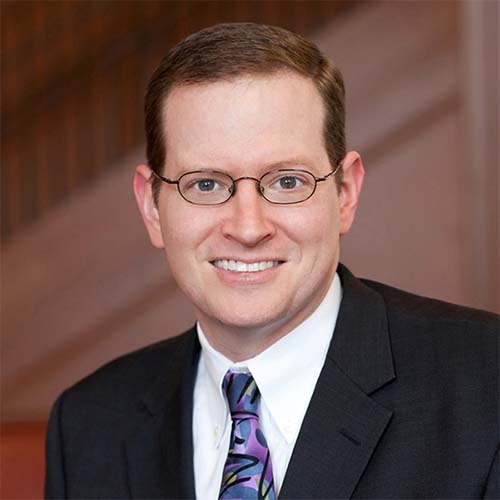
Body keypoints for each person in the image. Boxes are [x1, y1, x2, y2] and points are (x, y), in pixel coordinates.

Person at [45, 23, 499, 499]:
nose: (248, 228)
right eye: (206, 184)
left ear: (345, 193)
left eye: (286, 181)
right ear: (152, 207)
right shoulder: (88, 426)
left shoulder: (486, 385)